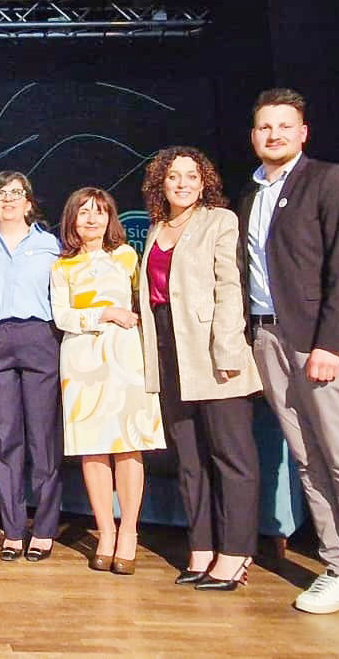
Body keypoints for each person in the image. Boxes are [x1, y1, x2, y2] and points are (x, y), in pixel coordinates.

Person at [238, 88, 339, 628]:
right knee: (307, 458)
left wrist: (332, 343)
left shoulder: (326, 180)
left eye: (285, 126)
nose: (274, 134)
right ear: (254, 136)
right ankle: (338, 567)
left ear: (303, 133)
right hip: (267, 339)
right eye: (265, 127)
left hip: (318, 342)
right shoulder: (251, 193)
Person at [136, 147, 262, 591]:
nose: (183, 184)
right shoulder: (155, 229)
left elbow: (230, 287)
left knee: (231, 457)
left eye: (191, 176)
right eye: (174, 176)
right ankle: (202, 547)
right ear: (161, 183)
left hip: (212, 354)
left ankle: (236, 552)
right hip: (169, 352)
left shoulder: (219, 221)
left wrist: (227, 350)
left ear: (204, 180)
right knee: (189, 460)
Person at [52, 187, 165, 576]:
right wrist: (104, 314)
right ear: (72, 219)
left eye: (99, 212)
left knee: (128, 445)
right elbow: (62, 316)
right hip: (81, 361)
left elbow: (143, 305)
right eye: (84, 212)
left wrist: (126, 317)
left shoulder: (127, 256)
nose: (92, 219)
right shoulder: (61, 265)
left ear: (110, 218)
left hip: (125, 359)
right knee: (93, 448)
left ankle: (129, 532)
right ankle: (105, 533)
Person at [0, 171, 63, 563]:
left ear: (29, 202)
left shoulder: (50, 245)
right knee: (4, 438)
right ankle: (12, 529)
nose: (8, 199)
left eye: (16, 193)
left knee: (42, 438)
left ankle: (43, 529)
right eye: (0, 194)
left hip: (39, 337)